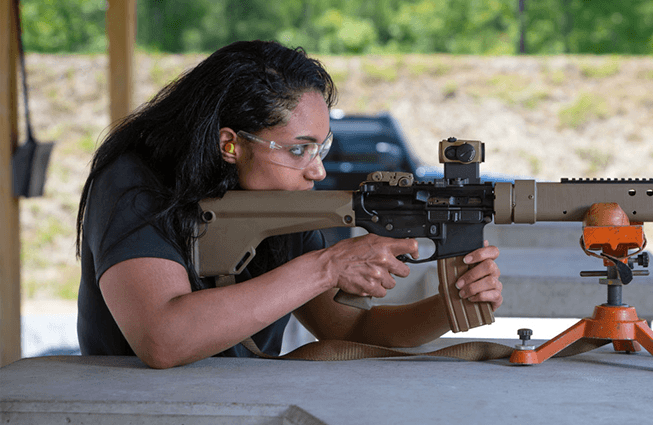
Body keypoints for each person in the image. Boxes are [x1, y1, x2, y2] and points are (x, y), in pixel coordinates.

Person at [75, 40, 503, 369]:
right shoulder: (133, 184)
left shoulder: (282, 199)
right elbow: (163, 338)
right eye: (300, 150)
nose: (316, 171)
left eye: (321, 148)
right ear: (230, 144)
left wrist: (452, 305)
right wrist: (327, 267)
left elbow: (352, 329)